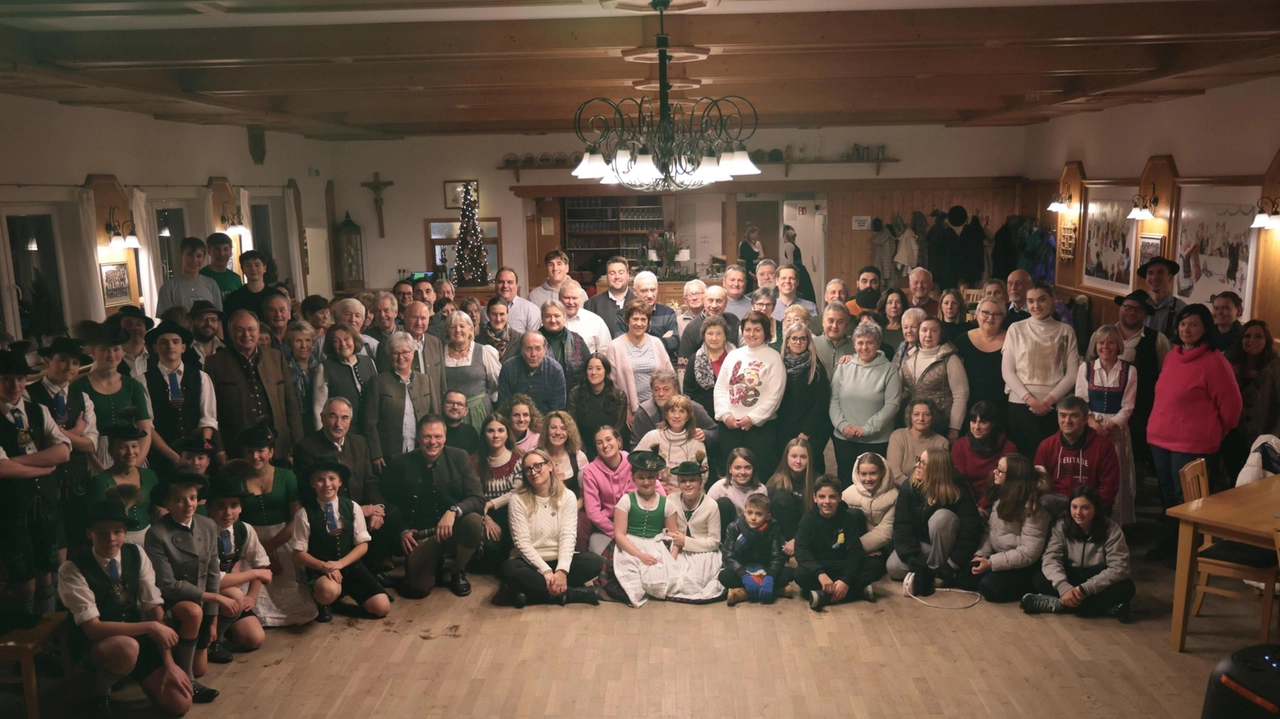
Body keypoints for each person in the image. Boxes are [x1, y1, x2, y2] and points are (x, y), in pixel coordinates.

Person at [57, 499, 194, 718]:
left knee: (180, 704)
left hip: (137, 635)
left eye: (117, 531)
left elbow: (154, 609)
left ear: (125, 532)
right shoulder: (72, 568)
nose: (111, 539)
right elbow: (93, 628)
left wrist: (169, 663)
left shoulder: (136, 554)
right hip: (96, 644)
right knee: (126, 648)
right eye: (102, 532)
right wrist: (150, 627)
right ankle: (99, 693)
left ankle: (131, 674)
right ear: (89, 533)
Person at [1146, 304, 1242, 561]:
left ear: (1205, 328)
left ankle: (1187, 553)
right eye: (1183, 323)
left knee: (1188, 500)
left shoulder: (1214, 361)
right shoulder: (1172, 355)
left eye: (1194, 324)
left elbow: (1232, 408)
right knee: (1166, 496)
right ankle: (1168, 544)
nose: (1187, 329)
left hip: (1192, 444)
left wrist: (1212, 432)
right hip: (1160, 438)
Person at [0, 349, 72, 617]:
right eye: (6, 379)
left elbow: (63, 452)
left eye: (20, 378)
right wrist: (43, 467)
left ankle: (49, 638)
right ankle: (26, 636)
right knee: (23, 579)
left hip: (46, 504)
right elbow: (1, 469)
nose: (15, 386)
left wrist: (17, 463)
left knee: (48, 571)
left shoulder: (38, 411)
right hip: (11, 508)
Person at [382, 415, 486, 599]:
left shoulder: (459, 457)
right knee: (417, 589)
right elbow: (387, 502)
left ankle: (457, 572)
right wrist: (402, 530)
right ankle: (432, 563)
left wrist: (453, 511)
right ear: (418, 438)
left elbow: (477, 498)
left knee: (474, 522)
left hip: (453, 529)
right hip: (421, 535)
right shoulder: (400, 462)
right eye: (427, 437)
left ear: (445, 438)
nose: (433, 442)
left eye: (438, 436)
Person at [144, 472, 226, 703]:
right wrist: (213, 599)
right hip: (171, 600)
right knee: (193, 611)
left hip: (201, 599)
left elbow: (212, 572)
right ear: (167, 503)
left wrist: (213, 618)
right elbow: (168, 585)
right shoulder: (157, 533)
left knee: (203, 667)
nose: (188, 504)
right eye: (180, 499)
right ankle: (188, 678)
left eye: (192, 497)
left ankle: (190, 665)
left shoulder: (207, 524)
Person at [291, 397, 390, 576]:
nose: (338, 423)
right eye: (332, 416)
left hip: (359, 508)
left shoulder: (359, 442)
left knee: (390, 514)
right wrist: (358, 510)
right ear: (321, 417)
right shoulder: (305, 448)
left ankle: (373, 570)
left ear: (350, 421)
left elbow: (370, 481)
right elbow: (308, 492)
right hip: (324, 512)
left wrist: (377, 509)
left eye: (344, 418)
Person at [289, 457, 391, 620]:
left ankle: (345, 592)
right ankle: (324, 601)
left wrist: (340, 564)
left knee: (382, 608)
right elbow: (298, 553)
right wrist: (324, 566)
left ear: (340, 481)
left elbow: (363, 545)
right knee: (328, 591)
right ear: (312, 484)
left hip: (351, 566)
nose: (327, 484)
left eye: (332, 479)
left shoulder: (352, 507)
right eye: (320, 480)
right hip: (322, 570)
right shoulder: (304, 514)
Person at [234, 425, 315, 626]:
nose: (255, 456)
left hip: (282, 539)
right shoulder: (238, 479)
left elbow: (296, 519)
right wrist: (258, 555)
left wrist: (268, 549)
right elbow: (234, 522)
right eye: (250, 451)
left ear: (271, 452)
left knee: (296, 598)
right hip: (248, 543)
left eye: (261, 450)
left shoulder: (287, 476)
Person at [499, 448, 602, 607]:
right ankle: (571, 594)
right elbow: (522, 543)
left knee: (594, 562)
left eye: (537, 466)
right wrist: (546, 571)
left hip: (559, 559)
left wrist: (561, 571)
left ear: (550, 466)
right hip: (531, 564)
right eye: (528, 469)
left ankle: (530, 596)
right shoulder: (517, 499)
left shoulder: (567, 497)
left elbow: (568, 537)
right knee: (509, 569)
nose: (533, 472)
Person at [1020, 485, 1135, 622]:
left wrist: (1085, 589)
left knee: (1126, 588)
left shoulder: (1111, 529)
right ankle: (1106, 608)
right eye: (1074, 507)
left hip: (1096, 580)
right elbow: (1051, 558)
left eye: (1085, 508)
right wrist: (1064, 587)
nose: (1078, 513)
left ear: (1096, 509)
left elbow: (1120, 567)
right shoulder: (1062, 525)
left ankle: (1059, 604)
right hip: (1071, 577)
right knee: (1039, 578)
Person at [203, 309, 303, 460]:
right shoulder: (215, 363)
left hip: (277, 445)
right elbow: (211, 412)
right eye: (239, 330)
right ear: (230, 332)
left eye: (251, 329)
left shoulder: (276, 357)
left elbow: (291, 404)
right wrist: (219, 449)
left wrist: (297, 442)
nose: (246, 335)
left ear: (258, 330)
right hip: (236, 447)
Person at [27, 337, 98, 547]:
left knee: (80, 540)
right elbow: (34, 441)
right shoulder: (28, 394)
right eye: (63, 360)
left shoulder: (83, 397)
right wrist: (75, 433)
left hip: (77, 482)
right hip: (43, 483)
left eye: (75, 363)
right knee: (51, 544)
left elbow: (90, 445)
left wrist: (59, 433)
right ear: (48, 360)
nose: (70, 367)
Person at [886, 448, 984, 595]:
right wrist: (913, 558)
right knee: (893, 567)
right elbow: (902, 526)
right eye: (918, 460)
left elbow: (971, 531)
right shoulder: (910, 486)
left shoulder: (958, 489)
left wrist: (953, 564)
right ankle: (930, 573)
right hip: (924, 544)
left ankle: (940, 573)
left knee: (942, 518)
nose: (917, 466)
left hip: (949, 546)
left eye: (923, 463)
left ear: (936, 469)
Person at [1001, 281, 1080, 457]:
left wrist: (1048, 402)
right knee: (1022, 459)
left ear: (1052, 300)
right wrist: (1031, 400)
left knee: (1050, 458)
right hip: (1020, 403)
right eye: (1030, 301)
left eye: (1041, 300)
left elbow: (1072, 374)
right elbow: (1007, 371)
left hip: (1054, 405)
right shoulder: (1016, 328)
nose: (1036, 306)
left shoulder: (1066, 331)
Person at [598, 450, 680, 607]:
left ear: (657, 477)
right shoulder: (626, 501)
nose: (646, 482)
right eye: (641, 477)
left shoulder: (667, 504)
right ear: (633, 477)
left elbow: (673, 535)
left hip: (655, 545)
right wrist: (640, 555)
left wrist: (671, 559)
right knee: (631, 581)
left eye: (650, 477)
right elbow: (620, 535)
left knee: (659, 580)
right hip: (630, 546)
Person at [204, 468, 270, 659]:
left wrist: (252, 595)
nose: (227, 513)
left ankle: (226, 628)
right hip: (205, 596)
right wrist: (254, 575)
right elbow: (215, 581)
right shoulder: (203, 533)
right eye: (220, 506)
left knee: (255, 639)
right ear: (208, 507)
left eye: (234, 505)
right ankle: (210, 641)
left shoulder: (244, 529)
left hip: (231, 598)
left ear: (241, 507)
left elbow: (261, 563)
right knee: (234, 594)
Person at [1075, 325, 1137, 525]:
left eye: (1110, 342)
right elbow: (1081, 400)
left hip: (1116, 430)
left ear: (1118, 344)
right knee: (1090, 471)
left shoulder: (1129, 370)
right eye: (1101, 342)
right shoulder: (1086, 368)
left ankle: (1115, 522)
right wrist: (1094, 424)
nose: (1106, 347)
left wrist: (1109, 427)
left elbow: (1128, 406)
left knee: (1115, 473)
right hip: (1091, 427)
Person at [967, 454, 1050, 602]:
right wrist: (982, 555)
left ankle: (1031, 587)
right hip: (1000, 556)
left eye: (1000, 471)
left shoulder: (1034, 506)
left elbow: (1029, 553)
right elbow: (990, 531)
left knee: (989, 588)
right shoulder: (1001, 494)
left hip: (1023, 564)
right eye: (996, 468)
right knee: (965, 579)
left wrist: (992, 563)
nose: (995, 473)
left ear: (1014, 476)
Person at [829, 322, 902, 485]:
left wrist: (867, 428)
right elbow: (833, 399)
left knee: (873, 484)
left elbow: (892, 404)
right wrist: (842, 425)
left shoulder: (889, 370)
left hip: (876, 440)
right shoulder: (844, 366)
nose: (865, 347)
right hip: (844, 437)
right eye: (860, 342)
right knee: (846, 481)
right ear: (854, 344)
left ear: (878, 344)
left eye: (870, 342)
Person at [714, 311, 785, 476]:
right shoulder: (733, 355)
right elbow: (721, 388)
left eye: (757, 330)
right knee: (732, 475)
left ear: (766, 332)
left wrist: (752, 419)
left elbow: (774, 396)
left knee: (758, 473)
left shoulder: (773, 358)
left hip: (760, 430)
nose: (752, 334)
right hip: (730, 427)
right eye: (748, 329)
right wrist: (725, 415)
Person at [142, 321, 218, 475]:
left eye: (175, 342)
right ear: (155, 348)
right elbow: (147, 425)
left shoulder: (201, 377)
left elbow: (208, 418)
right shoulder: (142, 380)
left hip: (196, 458)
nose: (170, 346)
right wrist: (173, 456)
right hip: (161, 458)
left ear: (183, 347)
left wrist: (200, 452)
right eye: (164, 342)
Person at [74, 322, 153, 469]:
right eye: (104, 350)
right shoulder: (80, 387)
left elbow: (145, 429)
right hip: (96, 455)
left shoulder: (133, 385)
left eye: (116, 349)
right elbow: (81, 434)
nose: (111, 355)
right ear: (93, 352)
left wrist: (136, 464)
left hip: (132, 455)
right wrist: (98, 467)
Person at [363, 331, 440, 468]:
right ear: (389, 355)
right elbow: (370, 422)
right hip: (388, 455)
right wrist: (376, 453)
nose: (400, 357)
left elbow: (434, 418)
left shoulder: (425, 380)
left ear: (413, 354)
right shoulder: (378, 382)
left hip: (421, 452)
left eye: (405, 352)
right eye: (395, 353)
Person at [795, 476, 873, 610]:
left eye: (832, 497)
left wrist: (846, 580)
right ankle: (857, 591)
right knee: (799, 574)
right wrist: (820, 574)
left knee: (874, 566)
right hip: (819, 565)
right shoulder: (807, 519)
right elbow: (801, 550)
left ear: (839, 497)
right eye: (822, 497)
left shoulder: (848, 518)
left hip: (840, 564)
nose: (827, 502)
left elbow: (855, 550)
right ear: (815, 497)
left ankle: (823, 595)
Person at [1034, 396, 1120, 514]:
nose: (1067, 421)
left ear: (1085, 419)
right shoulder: (1046, 446)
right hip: (1054, 510)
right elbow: (1040, 484)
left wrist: (1083, 510)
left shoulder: (1104, 446)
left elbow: (1109, 488)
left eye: (1074, 416)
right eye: (1063, 415)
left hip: (1089, 512)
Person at [1223, 320, 1280, 480]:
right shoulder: (1231, 365)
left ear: (1266, 340)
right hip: (1233, 434)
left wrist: (1274, 439)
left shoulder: (1275, 367)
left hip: (1263, 438)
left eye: (1258, 336)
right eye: (1247, 336)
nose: (1251, 340)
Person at [583, 425, 652, 554]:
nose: (605, 445)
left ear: (618, 442)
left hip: (638, 522)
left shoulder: (634, 461)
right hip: (609, 526)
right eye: (600, 442)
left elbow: (656, 487)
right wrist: (617, 533)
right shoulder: (590, 471)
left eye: (609, 439)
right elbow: (593, 512)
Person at [89, 419, 158, 546]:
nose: (130, 452)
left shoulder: (150, 476)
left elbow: (157, 511)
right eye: (122, 447)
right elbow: (98, 522)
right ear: (111, 451)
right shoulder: (100, 481)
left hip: (149, 538)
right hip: (116, 542)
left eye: (134, 446)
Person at [663, 461, 724, 603]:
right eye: (683, 481)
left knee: (694, 581)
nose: (688, 484)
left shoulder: (711, 505)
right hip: (677, 550)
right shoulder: (671, 499)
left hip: (703, 552)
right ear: (678, 482)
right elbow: (666, 528)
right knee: (670, 577)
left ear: (700, 481)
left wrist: (686, 541)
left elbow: (714, 542)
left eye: (692, 480)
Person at [900, 316, 969, 440]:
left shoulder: (950, 359)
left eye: (934, 330)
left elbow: (961, 394)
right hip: (911, 424)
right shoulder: (909, 357)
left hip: (939, 424)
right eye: (924, 330)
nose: (928, 335)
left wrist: (954, 427)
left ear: (941, 334)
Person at [776, 322, 831, 473]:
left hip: (812, 430)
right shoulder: (778, 365)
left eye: (802, 339)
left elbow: (821, 404)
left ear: (808, 341)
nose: (798, 342)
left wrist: (806, 432)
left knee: (812, 471)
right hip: (784, 429)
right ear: (787, 341)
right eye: (794, 338)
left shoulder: (817, 367)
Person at [605, 299, 674, 417]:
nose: (639, 323)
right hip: (631, 410)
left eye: (643, 319)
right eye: (635, 319)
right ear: (627, 321)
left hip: (661, 408)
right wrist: (625, 410)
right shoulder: (615, 347)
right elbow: (611, 384)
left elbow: (670, 375)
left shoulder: (656, 342)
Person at [374, 301, 447, 411]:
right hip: (401, 411)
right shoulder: (388, 344)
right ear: (405, 317)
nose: (419, 322)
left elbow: (442, 383)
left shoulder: (435, 342)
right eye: (414, 317)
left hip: (432, 410)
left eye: (423, 318)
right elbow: (384, 384)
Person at [719, 493, 789, 606]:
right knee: (724, 576)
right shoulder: (734, 527)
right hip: (743, 567)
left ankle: (744, 592)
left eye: (759, 514)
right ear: (744, 512)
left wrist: (770, 577)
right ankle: (775, 590)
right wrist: (744, 575)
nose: (753, 517)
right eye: (749, 512)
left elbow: (777, 557)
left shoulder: (773, 528)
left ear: (767, 516)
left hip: (764, 568)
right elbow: (728, 556)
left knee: (789, 573)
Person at [840, 453, 897, 588]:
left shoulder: (895, 496)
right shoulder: (848, 493)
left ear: (882, 473)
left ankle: (852, 586)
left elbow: (885, 532)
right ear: (857, 473)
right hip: (850, 546)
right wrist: (850, 548)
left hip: (879, 547)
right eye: (863, 474)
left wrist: (858, 548)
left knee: (875, 568)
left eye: (873, 473)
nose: (868, 478)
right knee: (853, 514)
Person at [949, 402, 1018, 512]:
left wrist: (982, 505)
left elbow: (1006, 483)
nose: (976, 427)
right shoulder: (959, 446)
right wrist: (974, 506)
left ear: (993, 424)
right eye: (973, 421)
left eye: (983, 422)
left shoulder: (1008, 447)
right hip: (967, 501)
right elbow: (961, 482)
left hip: (998, 500)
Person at [475, 413, 522, 573]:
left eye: (501, 430)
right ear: (484, 434)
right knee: (492, 551)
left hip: (513, 513)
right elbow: (473, 497)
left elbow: (517, 492)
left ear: (507, 433)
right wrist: (486, 519)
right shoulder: (473, 461)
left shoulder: (518, 459)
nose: (496, 435)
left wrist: (490, 503)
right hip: (484, 514)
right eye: (490, 431)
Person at [951, 299, 1008, 428]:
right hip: (969, 406)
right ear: (976, 314)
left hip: (1002, 406)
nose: (990, 318)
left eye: (996, 314)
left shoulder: (1011, 339)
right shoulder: (961, 341)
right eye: (985, 313)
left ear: (1003, 317)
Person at [628, 370, 716, 452]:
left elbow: (716, 432)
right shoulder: (644, 412)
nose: (661, 394)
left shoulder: (693, 408)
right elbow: (635, 446)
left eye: (666, 389)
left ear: (676, 390)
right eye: (656, 390)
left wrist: (705, 435)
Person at [311, 321, 377, 430]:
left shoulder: (369, 362)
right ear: (331, 345)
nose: (343, 344)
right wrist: (323, 438)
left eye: (346, 339)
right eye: (336, 341)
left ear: (354, 340)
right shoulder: (325, 367)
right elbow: (318, 408)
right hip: (341, 431)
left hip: (370, 431)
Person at [442, 311, 501, 432]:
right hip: (450, 413)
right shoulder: (440, 353)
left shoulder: (484, 351)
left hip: (479, 411)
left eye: (462, 326)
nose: (458, 330)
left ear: (470, 328)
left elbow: (496, 383)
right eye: (453, 327)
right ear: (447, 330)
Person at [636, 394, 706, 493]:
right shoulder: (652, 437)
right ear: (666, 415)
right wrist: (655, 484)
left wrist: (680, 491)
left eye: (682, 411)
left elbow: (703, 475)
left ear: (688, 417)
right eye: (672, 411)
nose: (676, 416)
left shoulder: (696, 441)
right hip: (656, 493)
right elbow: (635, 466)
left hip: (689, 495)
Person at [569, 353, 628, 460]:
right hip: (582, 449)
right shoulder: (575, 394)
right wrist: (583, 453)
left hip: (609, 447)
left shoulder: (619, 396)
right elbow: (573, 428)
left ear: (606, 371)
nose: (593, 372)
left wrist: (607, 449)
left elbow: (618, 430)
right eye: (590, 368)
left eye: (598, 368)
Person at [765, 437, 815, 555]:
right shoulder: (775, 482)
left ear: (809, 459)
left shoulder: (817, 481)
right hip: (782, 539)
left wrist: (797, 540)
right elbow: (769, 520)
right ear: (786, 457)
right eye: (794, 456)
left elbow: (817, 519)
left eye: (803, 457)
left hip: (807, 536)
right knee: (781, 499)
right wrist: (784, 542)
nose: (798, 461)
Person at [496, 332, 567, 414]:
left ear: (544, 350)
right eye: (528, 349)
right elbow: (504, 408)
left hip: (546, 423)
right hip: (516, 422)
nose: (533, 354)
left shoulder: (555, 370)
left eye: (538, 348)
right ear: (521, 350)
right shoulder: (508, 368)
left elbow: (557, 410)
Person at [886, 399, 951, 487]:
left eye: (926, 415)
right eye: (916, 414)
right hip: (902, 489)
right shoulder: (898, 436)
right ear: (910, 417)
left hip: (931, 490)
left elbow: (939, 476)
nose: (921, 419)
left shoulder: (942, 443)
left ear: (933, 417)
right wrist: (915, 488)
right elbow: (895, 474)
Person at [682, 316, 732, 426]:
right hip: (704, 420)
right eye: (710, 334)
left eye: (718, 334)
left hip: (733, 417)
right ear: (704, 336)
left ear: (725, 337)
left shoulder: (736, 357)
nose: (714, 338)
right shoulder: (694, 360)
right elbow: (688, 394)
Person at [538, 300, 591, 401]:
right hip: (542, 401)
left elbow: (588, 368)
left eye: (557, 316)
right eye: (548, 316)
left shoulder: (577, 340)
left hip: (574, 400)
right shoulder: (532, 341)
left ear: (564, 317)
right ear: (542, 318)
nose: (553, 320)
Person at [156, 237, 224, 315]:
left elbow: (218, 318)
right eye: (190, 255)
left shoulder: (211, 284)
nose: (194, 260)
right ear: (181, 255)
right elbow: (165, 322)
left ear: (204, 258)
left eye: (198, 256)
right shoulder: (169, 287)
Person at [707, 448, 767, 532]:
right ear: (730, 469)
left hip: (752, 533)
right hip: (725, 533)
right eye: (737, 468)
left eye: (747, 468)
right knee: (724, 503)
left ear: (753, 469)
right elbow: (705, 515)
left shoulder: (761, 489)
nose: (742, 472)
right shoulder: (718, 487)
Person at [678, 285, 740, 362]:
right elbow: (684, 362)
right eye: (710, 300)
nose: (714, 305)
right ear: (704, 302)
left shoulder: (733, 320)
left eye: (719, 301)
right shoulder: (692, 328)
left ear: (726, 303)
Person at [584, 256, 636, 338]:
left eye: (621, 272)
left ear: (628, 275)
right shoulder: (592, 304)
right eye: (612, 273)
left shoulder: (639, 301)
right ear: (607, 276)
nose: (617, 277)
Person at [1138, 256, 1186, 340]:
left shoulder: (1182, 310)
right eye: (1150, 273)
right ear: (1146, 279)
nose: (1155, 277)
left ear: (1170, 278)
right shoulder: (1136, 306)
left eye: (1160, 272)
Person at [560, 279, 612, 355]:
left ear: (581, 298)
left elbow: (606, 352)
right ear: (559, 298)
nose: (571, 302)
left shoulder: (595, 321)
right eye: (567, 298)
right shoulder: (548, 320)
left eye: (574, 298)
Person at [491, 266, 541, 333]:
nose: (505, 286)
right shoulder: (486, 311)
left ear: (516, 286)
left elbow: (535, 340)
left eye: (510, 282)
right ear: (495, 285)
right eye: (501, 282)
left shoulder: (530, 309)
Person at [478, 297, 523, 364]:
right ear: (488, 314)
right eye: (494, 314)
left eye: (501, 314)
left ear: (507, 314)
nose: (498, 319)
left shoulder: (519, 338)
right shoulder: (478, 340)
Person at [812, 302, 853, 376]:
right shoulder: (811, 345)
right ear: (823, 322)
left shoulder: (856, 347)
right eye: (831, 321)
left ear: (847, 325)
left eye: (840, 322)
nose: (834, 326)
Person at [200, 232, 242, 300]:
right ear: (209, 251)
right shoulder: (201, 275)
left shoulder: (236, 278)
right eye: (217, 249)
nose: (222, 254)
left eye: (225, 249)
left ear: (231, 252)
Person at [442, 391, 482, 455]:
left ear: (466, 411)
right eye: (450, 403)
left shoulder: (470, 432)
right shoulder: (433, 431)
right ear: (442, 406)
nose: (455, 407)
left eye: (460, 404)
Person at [189, 300, 226, 365]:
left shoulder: (226, 348)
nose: (209, 323)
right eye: (203, 318)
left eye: (213, 319)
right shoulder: (183, 349)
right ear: (192, 321)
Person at [876, 287, 908, 353]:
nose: (894, 306)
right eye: (890, 302)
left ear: (903, 305)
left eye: (898, 302)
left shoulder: (907, 329)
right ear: (884, 306)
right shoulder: (877, 329)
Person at [893, 307, 924, 373]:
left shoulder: (924, 349)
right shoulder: (902, 345)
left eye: (913, 327)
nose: (909, 331)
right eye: (905, 327)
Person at [738, 225, 764, 293]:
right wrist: (749, 272)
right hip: (749, 270)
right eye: (756, 234)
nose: (757, 236)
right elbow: (745, 259)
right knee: (749, 289)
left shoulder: (752, 243)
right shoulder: (744, 244)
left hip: (755, 268)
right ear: (750, 234)